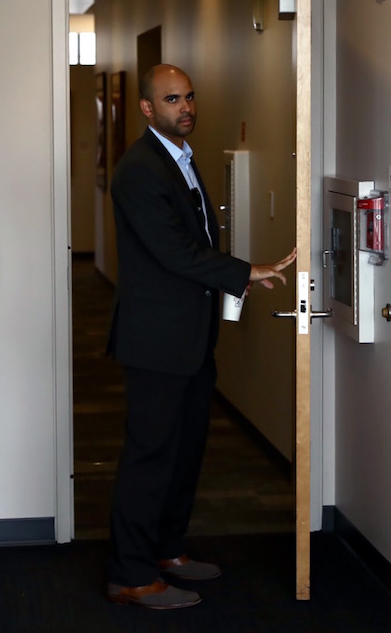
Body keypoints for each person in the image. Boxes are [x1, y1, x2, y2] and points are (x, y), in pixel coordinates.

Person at [105, 64, 296, 610]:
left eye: (188, 97)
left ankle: (166, 549)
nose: (184, 107)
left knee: (185, 451)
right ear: (147, 108)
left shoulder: (180, 158)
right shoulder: (140, 169)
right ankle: (131, 574)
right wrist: (245, 271)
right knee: (150, 456)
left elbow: (196, 238)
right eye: (171, 100)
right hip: (156, 341)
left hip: (190, 337)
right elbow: (173, 251)